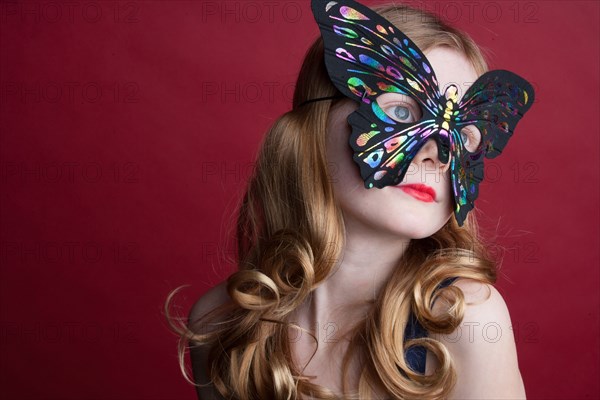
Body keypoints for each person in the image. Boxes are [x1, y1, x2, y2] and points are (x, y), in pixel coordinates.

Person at [165, 1, 532, 399]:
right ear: (315, 126)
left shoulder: (466, 319)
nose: (437, 154)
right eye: (402, 113)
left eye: (464, 136)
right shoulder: (221, 323)